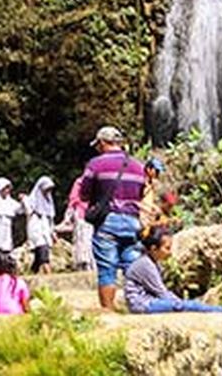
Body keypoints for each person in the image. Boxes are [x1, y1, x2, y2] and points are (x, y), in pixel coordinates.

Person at [79, 126, 147, 309]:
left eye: (97, 145)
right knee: (133, 268)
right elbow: (141, 193)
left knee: (107, 269)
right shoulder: (138, 166)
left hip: (108, 221)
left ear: (102, 143)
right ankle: (139, 307)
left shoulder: (95, 164)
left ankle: (108, 311)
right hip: (133, 221)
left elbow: (84, 194)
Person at [125, 227, 222, 314]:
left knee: (186, 304)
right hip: (143, 304)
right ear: (154, 249)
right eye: (167, 248)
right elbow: (161, 292)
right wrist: (180, 303)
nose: (170, 252)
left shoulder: (151, 262)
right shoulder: (145, 264)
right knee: (186, 305)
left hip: (148, 302)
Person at [56, 175, 94, 271]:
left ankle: (87, 263)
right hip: (85, 217)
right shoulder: (82, 183)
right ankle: (85, 263)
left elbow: (73, 200)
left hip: (88, 217)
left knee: (84, 241)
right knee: (84, 240)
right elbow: (73, 201)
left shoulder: (82, 182)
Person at [25, 176, 56, 275]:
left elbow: (51, 220)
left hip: (45, 231)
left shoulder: (48, 203)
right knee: (43, 251)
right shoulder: (31, 201)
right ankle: (49, 275)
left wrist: (53, 233)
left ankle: (33, 272)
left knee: (39, 255)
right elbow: (27, 214)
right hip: (36, 229)